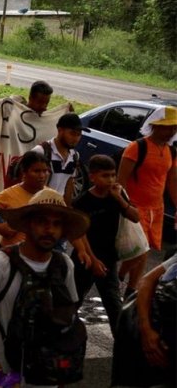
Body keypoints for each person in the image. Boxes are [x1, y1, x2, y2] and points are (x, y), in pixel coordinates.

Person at [0, 188, 88, 387]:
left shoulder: (64, 266)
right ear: (27, 225)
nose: (49, 230)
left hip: (43, 376)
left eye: (56, 224)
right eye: (42, 222)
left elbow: (67, 318)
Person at [70, 154, 139, 335]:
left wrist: (119, 199)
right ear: (92, 176)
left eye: (113, 175)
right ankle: (64, 343)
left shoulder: (117, 194)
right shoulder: (82, 202)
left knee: (114, 305)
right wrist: (93, 261)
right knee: (73, 301)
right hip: (84, 258)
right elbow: (79, 234)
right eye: (105, 176)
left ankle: (122, 349)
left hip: (109, 259)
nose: (110, 180)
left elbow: (135, 216)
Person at [118, 106, 177, 297]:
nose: (172, 131)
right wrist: (125, 206)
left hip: (156, 210)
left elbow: (172, 183)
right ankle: (123, 278)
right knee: (140, 252)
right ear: (155, 126)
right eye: (168, 127)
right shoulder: (137, 147)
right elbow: (121, 181)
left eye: (174, 127)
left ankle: (129, 288)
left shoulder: (171, 152)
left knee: (145, 251)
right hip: (135, 208)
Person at [0, 151, 51, 247]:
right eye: (37, 171)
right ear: (24, 172)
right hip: (11, 252)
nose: (42, 176)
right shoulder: (7, 195)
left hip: (41, 253)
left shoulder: (52, 196)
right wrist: (1, 228)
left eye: (45, 171)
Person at [30, 113, 87, 206]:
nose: (76, 138)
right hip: (37, 206)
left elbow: (69, 183)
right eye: (72, 133)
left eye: (79, 135)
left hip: (57, 208)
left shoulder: (75, 156)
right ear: (60, 130)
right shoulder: (41, 151)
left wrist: (68, 209)